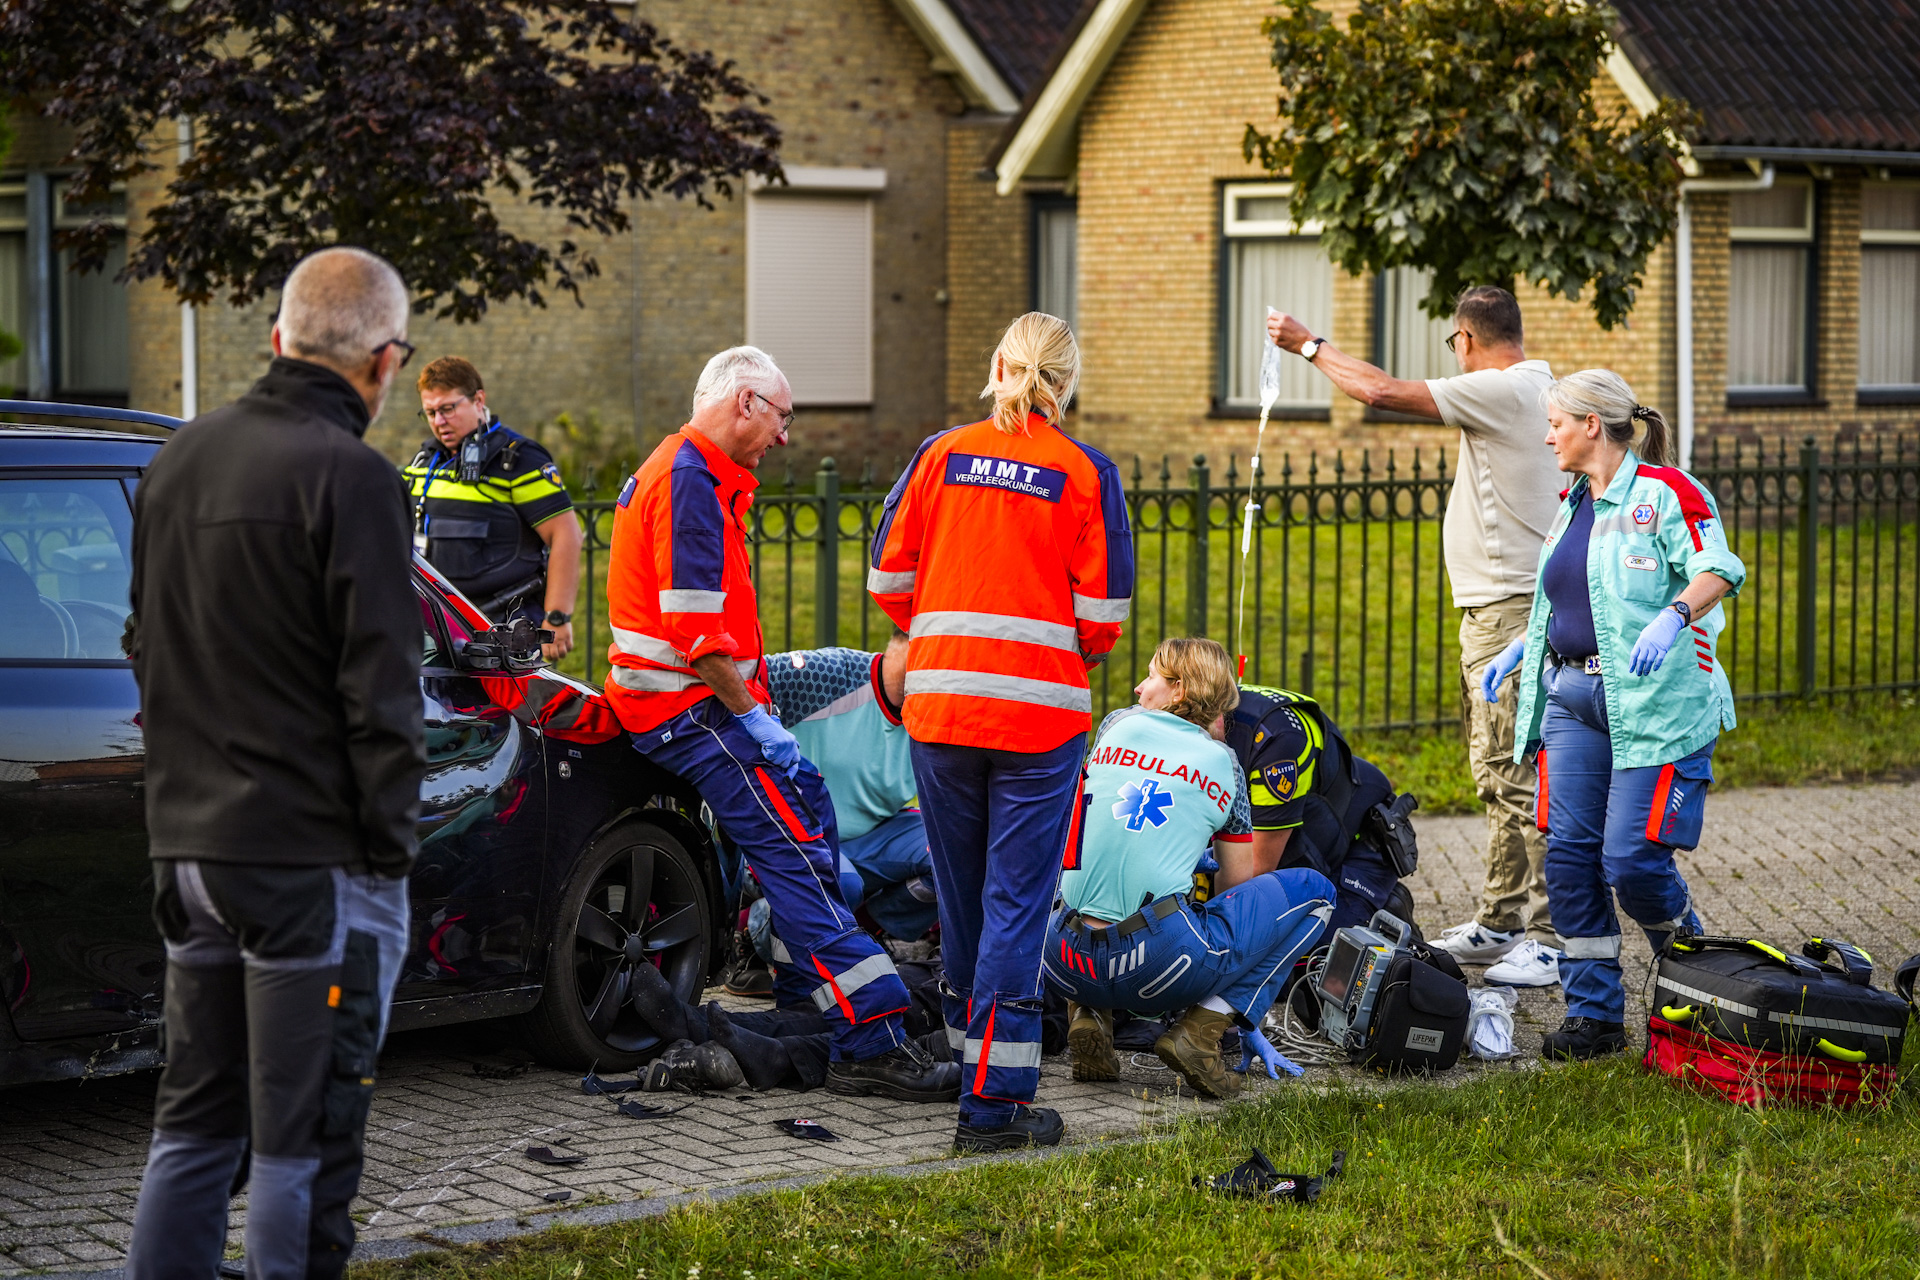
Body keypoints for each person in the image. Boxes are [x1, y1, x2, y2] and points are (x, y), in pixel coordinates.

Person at [123, 247, 427, 1280]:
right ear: (385, 363)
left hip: (190, 850)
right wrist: (388, 851)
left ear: (276, 339)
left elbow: (143, 647)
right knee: (305, 1137)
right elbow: (384, 691)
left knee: (195, 1123)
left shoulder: (178, 459)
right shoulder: (356, 479)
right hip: (308, 863)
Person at [603, 345, 957, 1104]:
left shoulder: (684, 471)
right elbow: (700, 638)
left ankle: (806, 1009)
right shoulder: (691, 480)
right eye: (783, 416)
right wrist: (757, 722)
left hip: (678, 707)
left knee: (810, 837)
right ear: (744, 403)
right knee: (799, 855)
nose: (786, 435)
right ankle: (875, 1038)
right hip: (692, 711)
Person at [870, 311, 1133, 1152]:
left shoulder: (940, 454)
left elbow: (887, 578)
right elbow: (1102, 617)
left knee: (962, 900)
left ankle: (965, 1066)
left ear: (997, 368)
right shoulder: (1085, 472)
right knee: (1017, 905)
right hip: (1037, 719)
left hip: (940, 708)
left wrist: (948, 630)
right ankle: (994, 1107)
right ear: (1069, 382)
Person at [1268, 288, 1563, 987]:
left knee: (1518, 774)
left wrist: (1308, 344)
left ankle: (1553, 937)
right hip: (1509, 609)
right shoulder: (1538, 387)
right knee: (1497, 772)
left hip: (1507, 615)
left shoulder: (1500, 388)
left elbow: (1378, 391)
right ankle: (1500, 918)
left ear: (1465, 340)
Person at [1481, 370, 1745, 1060]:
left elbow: (1719, 567)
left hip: (1653, 707)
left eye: (1557, 424)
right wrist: (1518, 651)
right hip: (1570, 700)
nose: (1548, 436)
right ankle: (1595, 1016)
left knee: (1630, 860)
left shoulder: (1667, 494)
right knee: (1569, 861)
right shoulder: (1574, 503)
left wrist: (1675, 613)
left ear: (1592, 424)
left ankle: (1693, 964)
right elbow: (1567, 600)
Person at [1043, 638, 1335, 1098]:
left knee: (1095, 876)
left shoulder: (1115, 725)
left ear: (1179, 689)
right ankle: (1201, 1031)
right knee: (1317, 892)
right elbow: (1236, 887)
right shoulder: (1227, 766)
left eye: (1152, 677)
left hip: (1060, 955)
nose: (1139, 687)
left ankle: (1087, 1010)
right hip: (1157, 969)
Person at [403, 356, 583, 662]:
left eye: (448, 408)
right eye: (430, 412)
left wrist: (557, 616)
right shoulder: (425, 462)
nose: (439, 421)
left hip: (502, 629)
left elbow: (566, 535)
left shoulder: (519, 460)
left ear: (478, 400)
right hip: (435, 628)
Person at [767, 631, 937, 939]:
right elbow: (743, 684)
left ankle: (871, 937)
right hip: (797, 838)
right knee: (843, 884)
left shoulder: (937, 716)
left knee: (957, 854)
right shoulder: (829, 675)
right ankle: (756, 935)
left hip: (872, 838)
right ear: (904, 638)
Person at [1220, 680, 1419, 937]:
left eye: (1157, 676)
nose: (1147, 687)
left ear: (1183, 691)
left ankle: (1388, 907)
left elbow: (1255, 872)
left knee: (1318, 961)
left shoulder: (1274, 739)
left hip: (1361, 844)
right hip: (1312, 835)